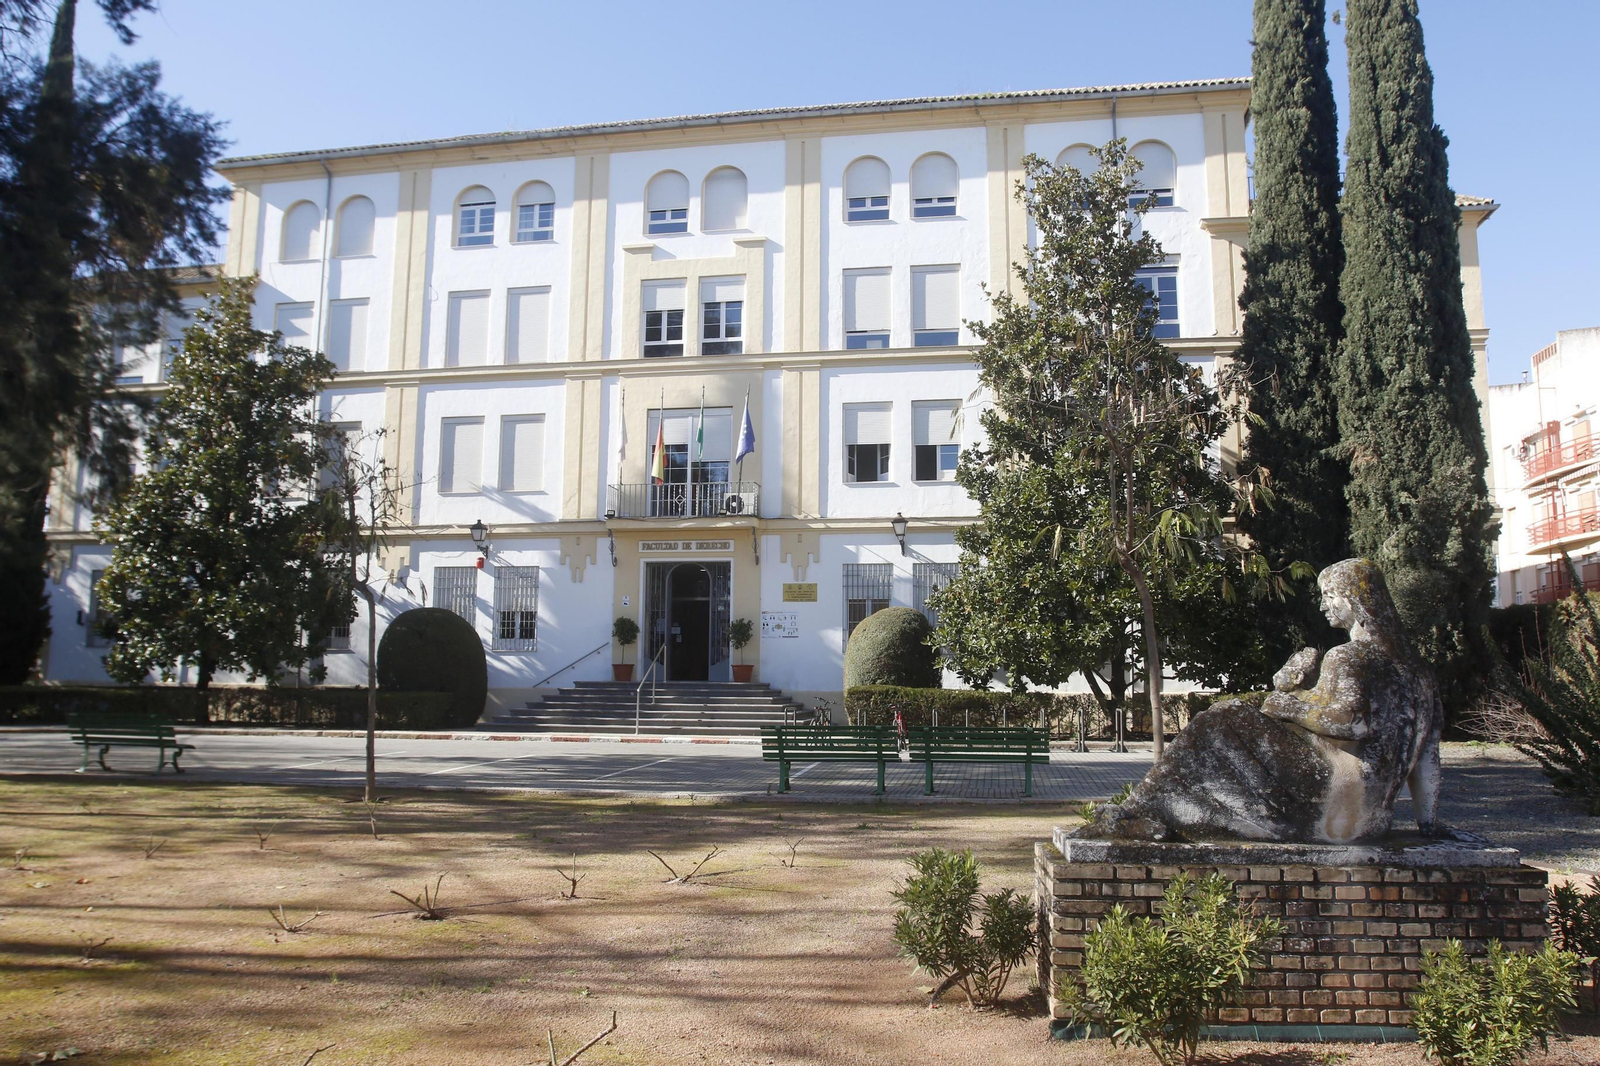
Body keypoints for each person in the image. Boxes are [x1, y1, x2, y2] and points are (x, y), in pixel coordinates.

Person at [1075, 558, 1442, 844]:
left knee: (1222, 719)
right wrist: (1428, 825)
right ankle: (1154, 808)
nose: (1323, 606)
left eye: (1330, 596)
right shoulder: (1421, 673)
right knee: (1237, 725)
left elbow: (1348, 723)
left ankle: (1140, 810)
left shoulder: (1349, 657)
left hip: (1336, 805)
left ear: (1355, 600)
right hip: (1373, 819)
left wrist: (1287, 703)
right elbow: (1427, 758)